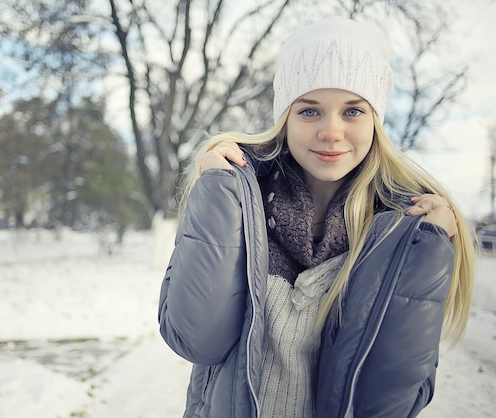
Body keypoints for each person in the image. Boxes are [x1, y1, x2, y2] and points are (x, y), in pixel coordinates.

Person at [157, 16, 475, 418]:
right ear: (285, 118)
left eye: (353, 111)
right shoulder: (239, 200)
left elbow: (385, 404)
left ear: (375, 121)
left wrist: (422, 249)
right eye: (309, 111)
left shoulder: (401, 232)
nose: (331, 131)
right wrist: (218, 194)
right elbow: (196, 338)